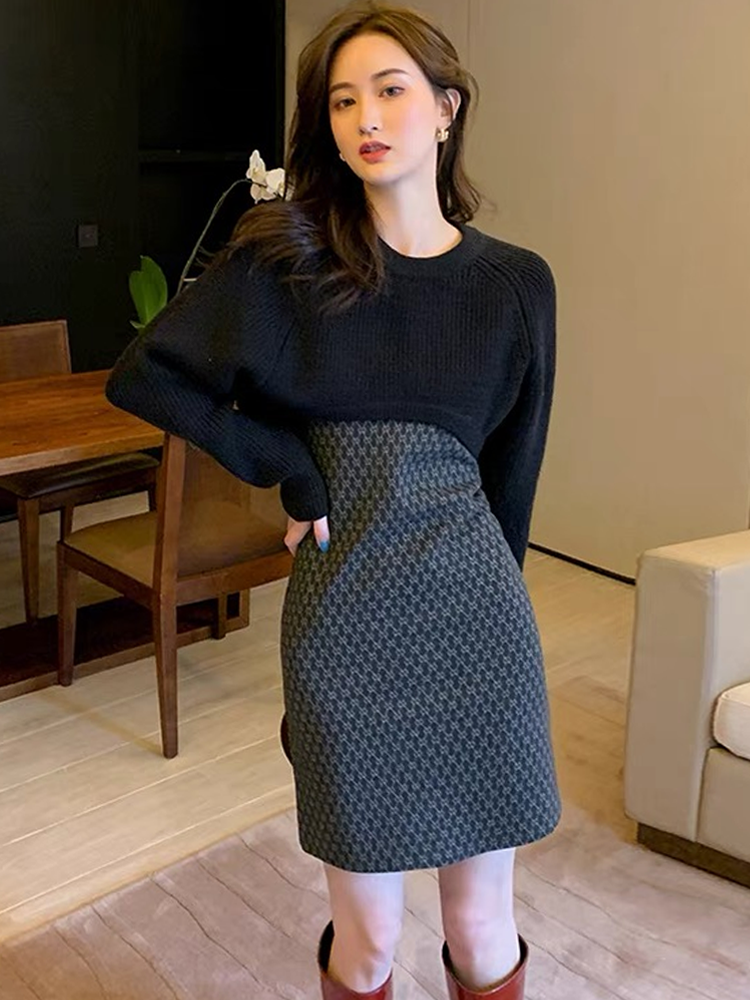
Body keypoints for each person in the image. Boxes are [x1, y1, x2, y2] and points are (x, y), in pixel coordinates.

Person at [106, 2, 561, 997]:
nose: (367, 117)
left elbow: (512, 479)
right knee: (368, 938)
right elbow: (145, 376)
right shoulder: (287, 263)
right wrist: (286, 462)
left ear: (446, 108)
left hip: (479, 624)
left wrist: (504, 601)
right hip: (345, 618)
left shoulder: (516, 285)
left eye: (391, 91)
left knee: (482, 927)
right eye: (343, 100)